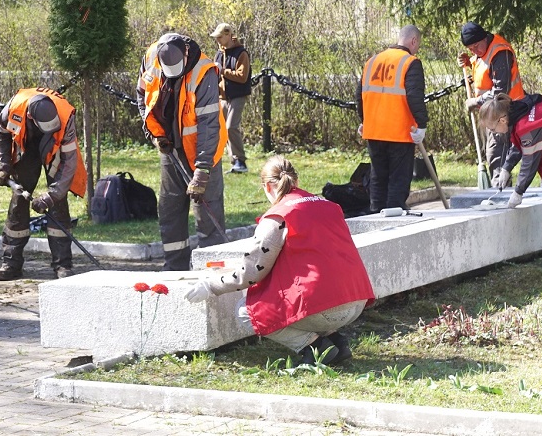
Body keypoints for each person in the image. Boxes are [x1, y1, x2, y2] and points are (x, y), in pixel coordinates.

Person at [184, 155, 375, 365]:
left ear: (266, 186)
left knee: (246, 312)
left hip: (326, 308)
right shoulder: (329, 205)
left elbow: (251, 273)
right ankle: (336, 341)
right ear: (297, 181)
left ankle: (314, 347)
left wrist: (211, 286)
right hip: (356, 301)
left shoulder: (277, 217)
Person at [137, 32, 228, 271]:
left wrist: (202, 170)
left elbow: (209, 125)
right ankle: (174, 267)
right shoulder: (151, 57)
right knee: (170, 208)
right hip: (170, 149)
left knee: (207, 214)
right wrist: (155, 135)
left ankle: (213, 271)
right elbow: (141, 95)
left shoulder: (204, 71)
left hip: (203, 151)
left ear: (186, 55)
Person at [0, 87, 87, 281]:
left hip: (55, 147)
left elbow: (69, 162)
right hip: (27, 144)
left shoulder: (65, 117)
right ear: (30, 116)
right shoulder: (13, 108)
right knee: (19, 200)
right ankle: (11, 264)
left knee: (58, 204)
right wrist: (5, 166)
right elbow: (1, 133)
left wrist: (52, 195)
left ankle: (63, 265)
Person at [480, 93, 542, 271]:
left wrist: (518, 192)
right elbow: (520, 143)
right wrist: (506, 168)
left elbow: (530, 160)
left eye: (492, 129)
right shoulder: (517, 110)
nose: (494, 134)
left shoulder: (526, 126)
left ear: (501, 120)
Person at [355, 25, 429, 212]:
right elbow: (414, 96)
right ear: (413, 41)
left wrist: (365, 120)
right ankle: (395, 216)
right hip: (399, 131)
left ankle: (376, 215)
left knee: (378, 176)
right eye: (417, 44)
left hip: (375, 131)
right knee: (398, 178)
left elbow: (359, 95)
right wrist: (422, 124)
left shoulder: (372, 61)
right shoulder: (411, 62)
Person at [457, 21, 525, 181]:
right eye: (470, 49)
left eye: (475, 47)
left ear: (484, 38)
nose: (474, 51)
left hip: (505, 111)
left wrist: (475, 102)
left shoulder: (500, 53)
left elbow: (500, 91)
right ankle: (500, 189)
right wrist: (470, 63)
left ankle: (499, 192)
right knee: (494, 154)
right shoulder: (483, 51)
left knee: (497, 154)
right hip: (492, 112)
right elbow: (485, 72)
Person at [211, 22, 252, 174]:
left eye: (220, 37)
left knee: (231, 126)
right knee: (223, 129)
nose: (218, 40)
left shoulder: (241, 53)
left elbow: (242, 77)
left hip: (238, 95)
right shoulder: (219, 54)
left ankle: (240, 160)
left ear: (229, 35)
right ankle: (234, 162)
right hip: (223, 96)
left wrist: (223, 71)